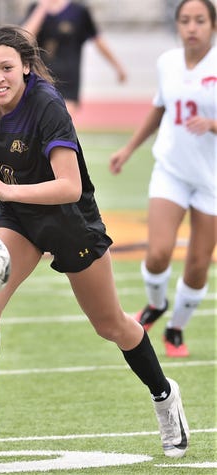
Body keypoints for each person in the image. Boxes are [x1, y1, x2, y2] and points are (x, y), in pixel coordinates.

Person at [0, 25, 189, 458]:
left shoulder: (47, 105)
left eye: (7, 67)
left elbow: (68, 186)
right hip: (20, 216)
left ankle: (164, 396)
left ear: (26, 67)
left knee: (111, 326)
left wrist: (5, 190)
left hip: (69, 220)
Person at [110, 0, 216, 358]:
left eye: (200, 20)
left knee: (199, 264)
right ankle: (155, 306)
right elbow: (159, 108)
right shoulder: (167, 63)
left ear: (212, 26)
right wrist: (128, 149)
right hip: (171, 169)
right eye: (185, 20)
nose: (192, 27)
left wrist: (213, 124)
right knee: (157, 254)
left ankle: (176, 328)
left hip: (211, 180)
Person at [22, 0, 127, 118]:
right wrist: (43, 8)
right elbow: (25, 39)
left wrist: (118, 67)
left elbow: (98, 41)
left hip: (68, 80)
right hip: (40, 76)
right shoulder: (35, 9)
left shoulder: (79, 11)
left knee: (62, 122)